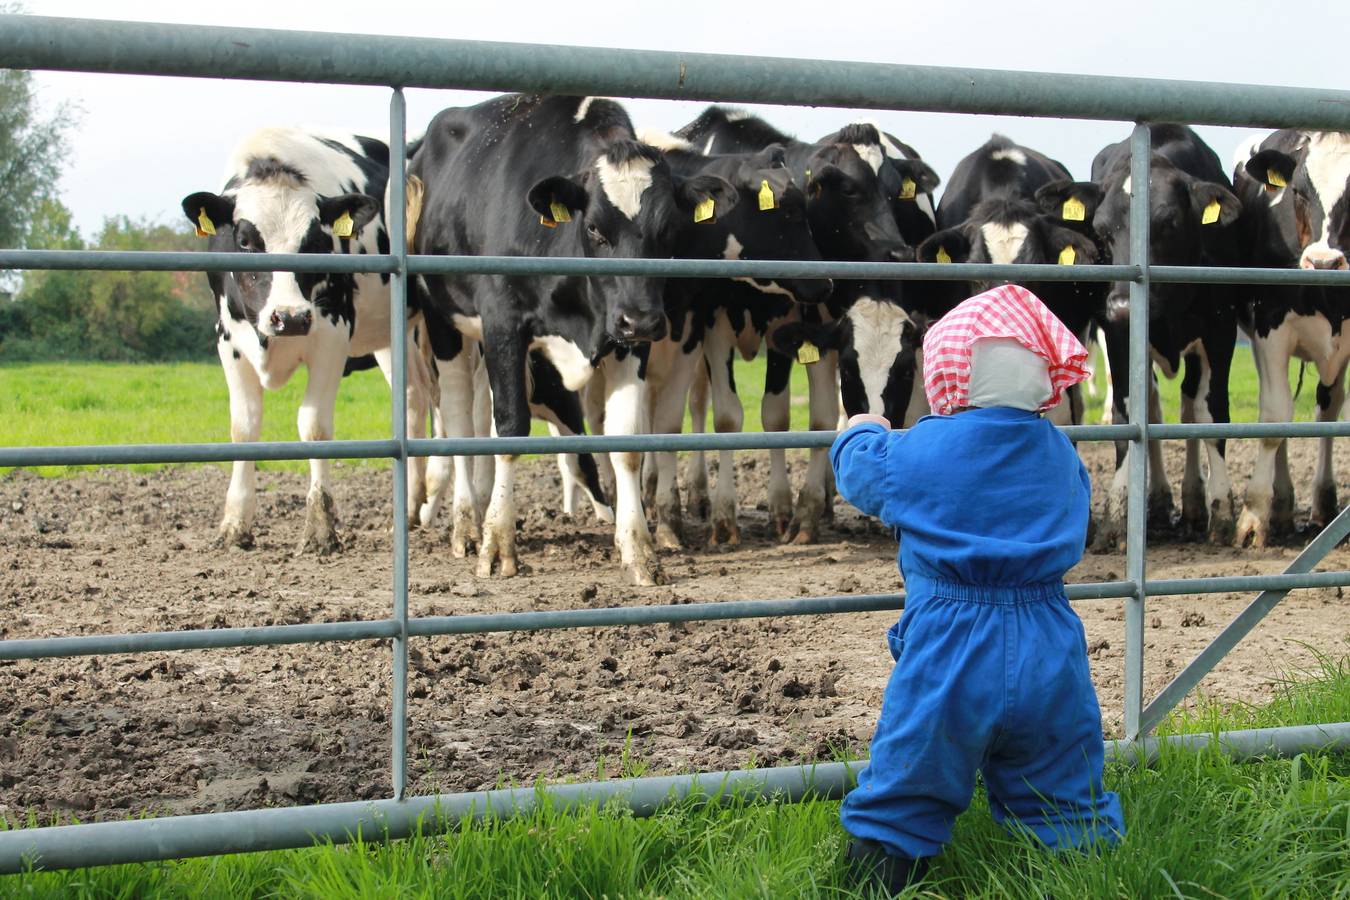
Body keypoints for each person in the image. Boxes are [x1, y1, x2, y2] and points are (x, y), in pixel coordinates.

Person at [832, 284, 1125, 893]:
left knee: (912, 773)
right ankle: (1082, 872)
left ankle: (881, 871)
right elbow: (1076, 516)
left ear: (949, 373)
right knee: (1063, 778)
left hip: (950, 646)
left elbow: (863, 474)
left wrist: (861, 429)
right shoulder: (1059, 455)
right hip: (1050, 641)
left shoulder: (926, 448)